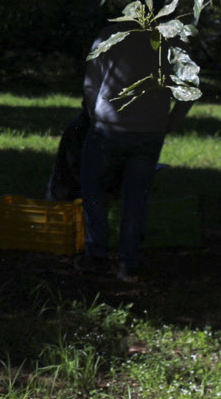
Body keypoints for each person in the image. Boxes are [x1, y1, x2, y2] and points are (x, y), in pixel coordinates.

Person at [78, 18, 189, 281]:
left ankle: (96, 254)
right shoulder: (174, 40)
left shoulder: (110, 34)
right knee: (136, 196)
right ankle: (128, 262)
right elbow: (189, 88)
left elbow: (91, 83)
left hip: (109, 127)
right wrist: (170, 122)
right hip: (150, 131)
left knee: (94, 188)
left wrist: (97, 118)